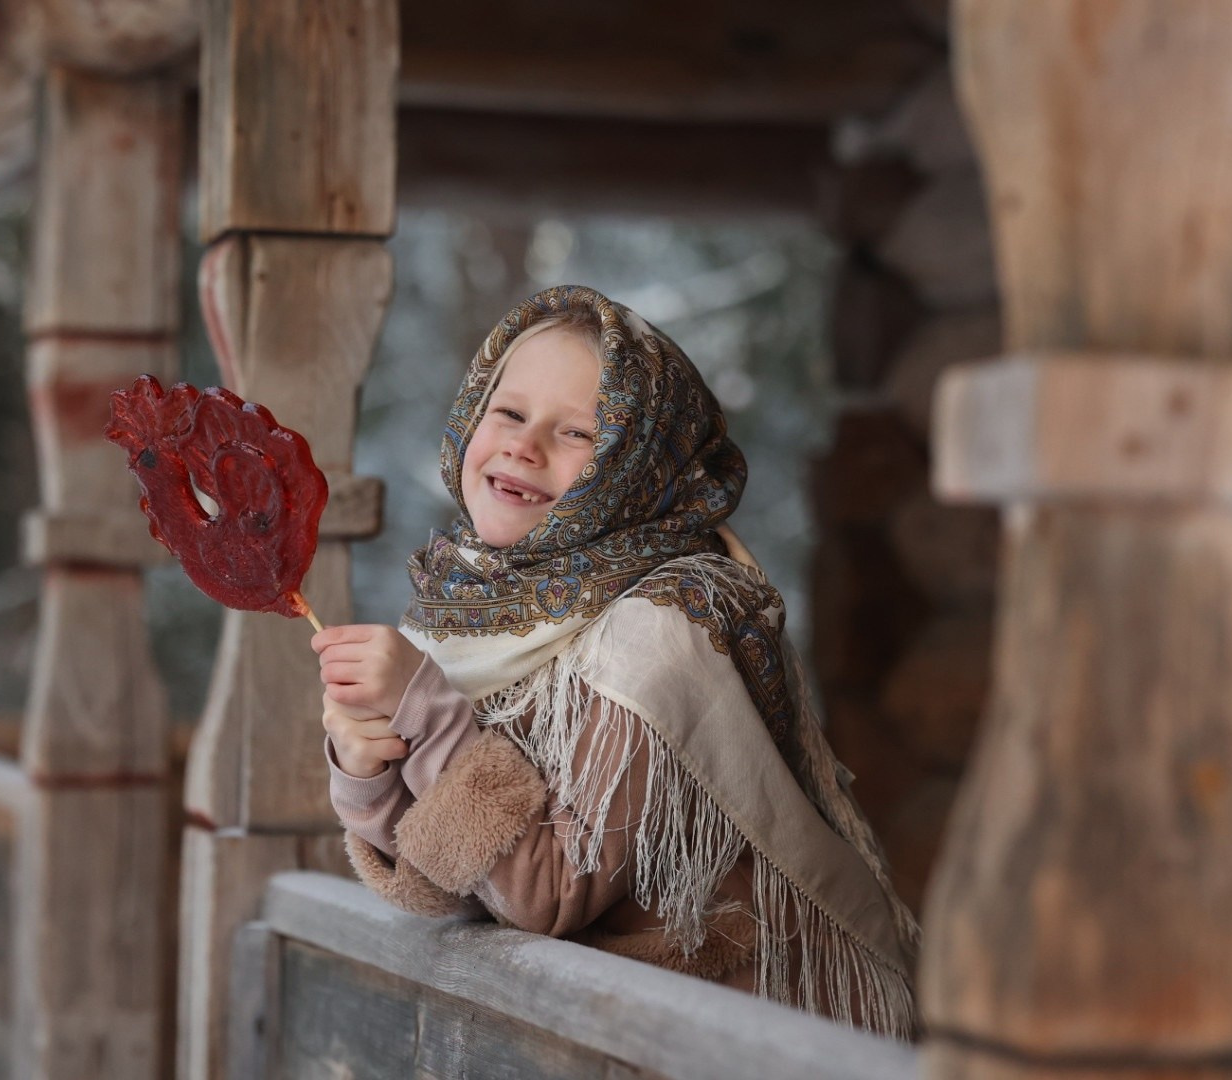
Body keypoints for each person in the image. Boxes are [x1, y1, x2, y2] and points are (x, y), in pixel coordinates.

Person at [313, 284, 917, 1038]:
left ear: (635, 470)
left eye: (578, 434)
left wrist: (426, 714)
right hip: (628, 1019)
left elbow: (545, 893)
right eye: (508, 411)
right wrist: (368, 774)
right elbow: (451, 885)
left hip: (752, 1031)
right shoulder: (475, 613)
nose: (523, 446)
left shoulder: (661, 628)